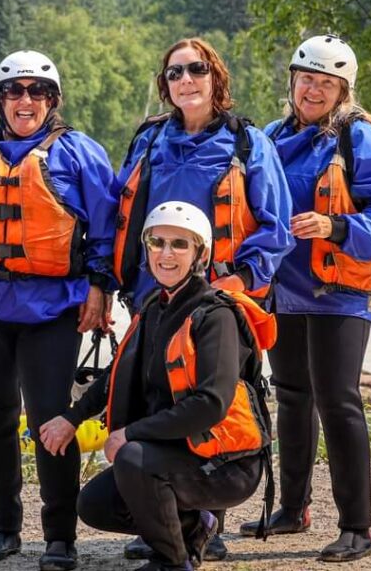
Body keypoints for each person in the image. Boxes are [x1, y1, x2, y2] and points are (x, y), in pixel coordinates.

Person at [0, 50, 118, 571]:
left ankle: (60, 537)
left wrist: (99, 288)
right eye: (14, 91)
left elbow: (105, 226)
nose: (25, 100)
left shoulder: (78, 152)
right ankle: (3, 530)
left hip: (53, 306)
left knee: (49, 418)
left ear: (53, 101)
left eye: (37, 92)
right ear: (0, 100)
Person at [113, 37, 292, 561]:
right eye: (174, 73)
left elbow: (275, 225)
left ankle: (208, 527)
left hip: (218, 298)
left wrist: (240, 280)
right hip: (153, 296)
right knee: (155, 401)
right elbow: (119, 210)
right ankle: (171, 523)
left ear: (216, 78)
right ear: (165, 85)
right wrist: (107, 281)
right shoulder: (150, 139)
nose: (185, 80)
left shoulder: (247, 143)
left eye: (196, 70)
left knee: (214, 403)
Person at [235, 35, 371, 562]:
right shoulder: (268, 136)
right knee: (290, 393)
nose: (313, 90)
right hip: (282, 290)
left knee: (337, 399)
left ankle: (358, 527)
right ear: (291, 81)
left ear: (343, 90)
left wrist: (334, 226)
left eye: (326, 83)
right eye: (306, 78)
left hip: (340, 290)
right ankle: (294, 508)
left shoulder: (358, 137)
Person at [42, 202, 274, 571]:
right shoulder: (154, 306)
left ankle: (171, 561)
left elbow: (210, 404)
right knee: (96, 504)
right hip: (173, 452)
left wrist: (130, 433)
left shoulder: (216, 316)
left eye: (180, 245)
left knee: (133, 458)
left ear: (200, 253)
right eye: (158, 242)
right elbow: (117, 374)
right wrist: (71, 418)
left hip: (226, 466)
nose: (166, 253)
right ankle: (193, 528)